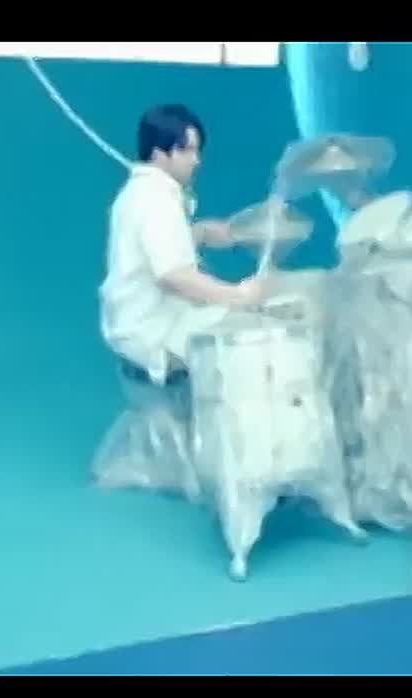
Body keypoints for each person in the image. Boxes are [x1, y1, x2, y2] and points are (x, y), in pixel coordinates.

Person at [91, 103, 267, 497]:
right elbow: (173, 276)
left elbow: (154, 254)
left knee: (231, 317)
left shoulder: (141, 194)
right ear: (160, 153)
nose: (196, 160)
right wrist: (239, 296)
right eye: (187, 150)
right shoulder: (156, 201)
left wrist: (199, 233)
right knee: (251, 334)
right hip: (153, 329)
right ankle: (246, 464)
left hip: (137, 320)